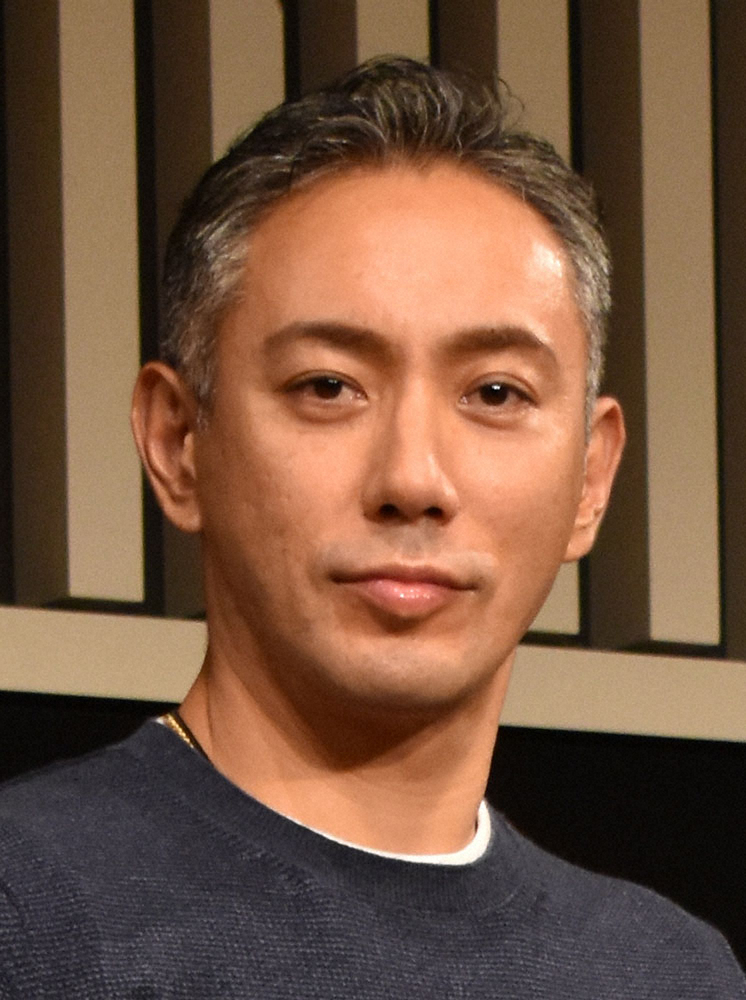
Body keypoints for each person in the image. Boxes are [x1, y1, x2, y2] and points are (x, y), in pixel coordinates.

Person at [0, 58, 743, 998]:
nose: (412, 480)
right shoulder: (29, 915)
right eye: (329, 387)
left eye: (495, 393)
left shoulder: (668, 973)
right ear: (178, 442)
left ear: (591, 478)